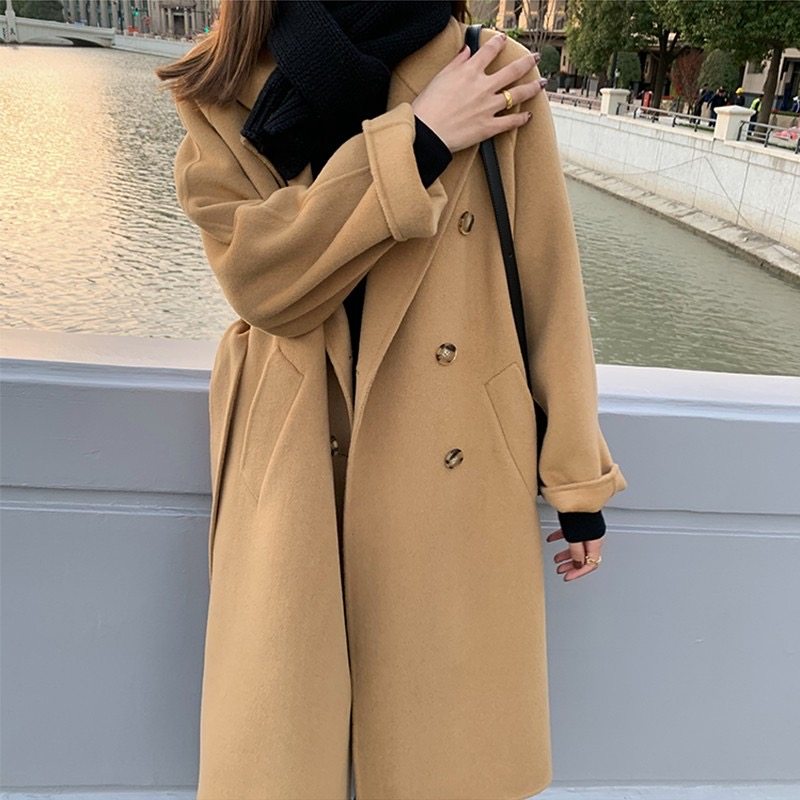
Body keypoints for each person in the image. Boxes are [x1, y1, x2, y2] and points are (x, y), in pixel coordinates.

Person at [157, 1, 628, 798]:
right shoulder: (224, 78)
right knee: (283, 741)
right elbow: (262, 281)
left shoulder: (486, 68)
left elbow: (548, 284)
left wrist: (578, 483)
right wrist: (421, 140)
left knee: (442, 748)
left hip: (449, 442)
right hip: (296, 446)